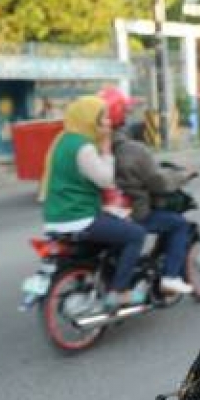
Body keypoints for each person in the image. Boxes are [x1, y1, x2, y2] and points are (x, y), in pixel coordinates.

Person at [39, 96, 148, 309]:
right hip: (79, 218)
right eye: (103, 118)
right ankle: (119, 291)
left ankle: (104, 278)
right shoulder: (83, 147)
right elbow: (106, 180)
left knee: (115, 224)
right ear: (89, 120)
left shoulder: (62, 140)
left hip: (55, 218)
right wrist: (106, 149)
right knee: (136, 234)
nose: (108, 122)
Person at [99, 86, 196, 295]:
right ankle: (170, 277)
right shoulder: (133, 150)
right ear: (122, 115)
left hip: (104, 212)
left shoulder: (94, 147)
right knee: (179, 225)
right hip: (135, 213)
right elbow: (158, 182)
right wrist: (184, 175)